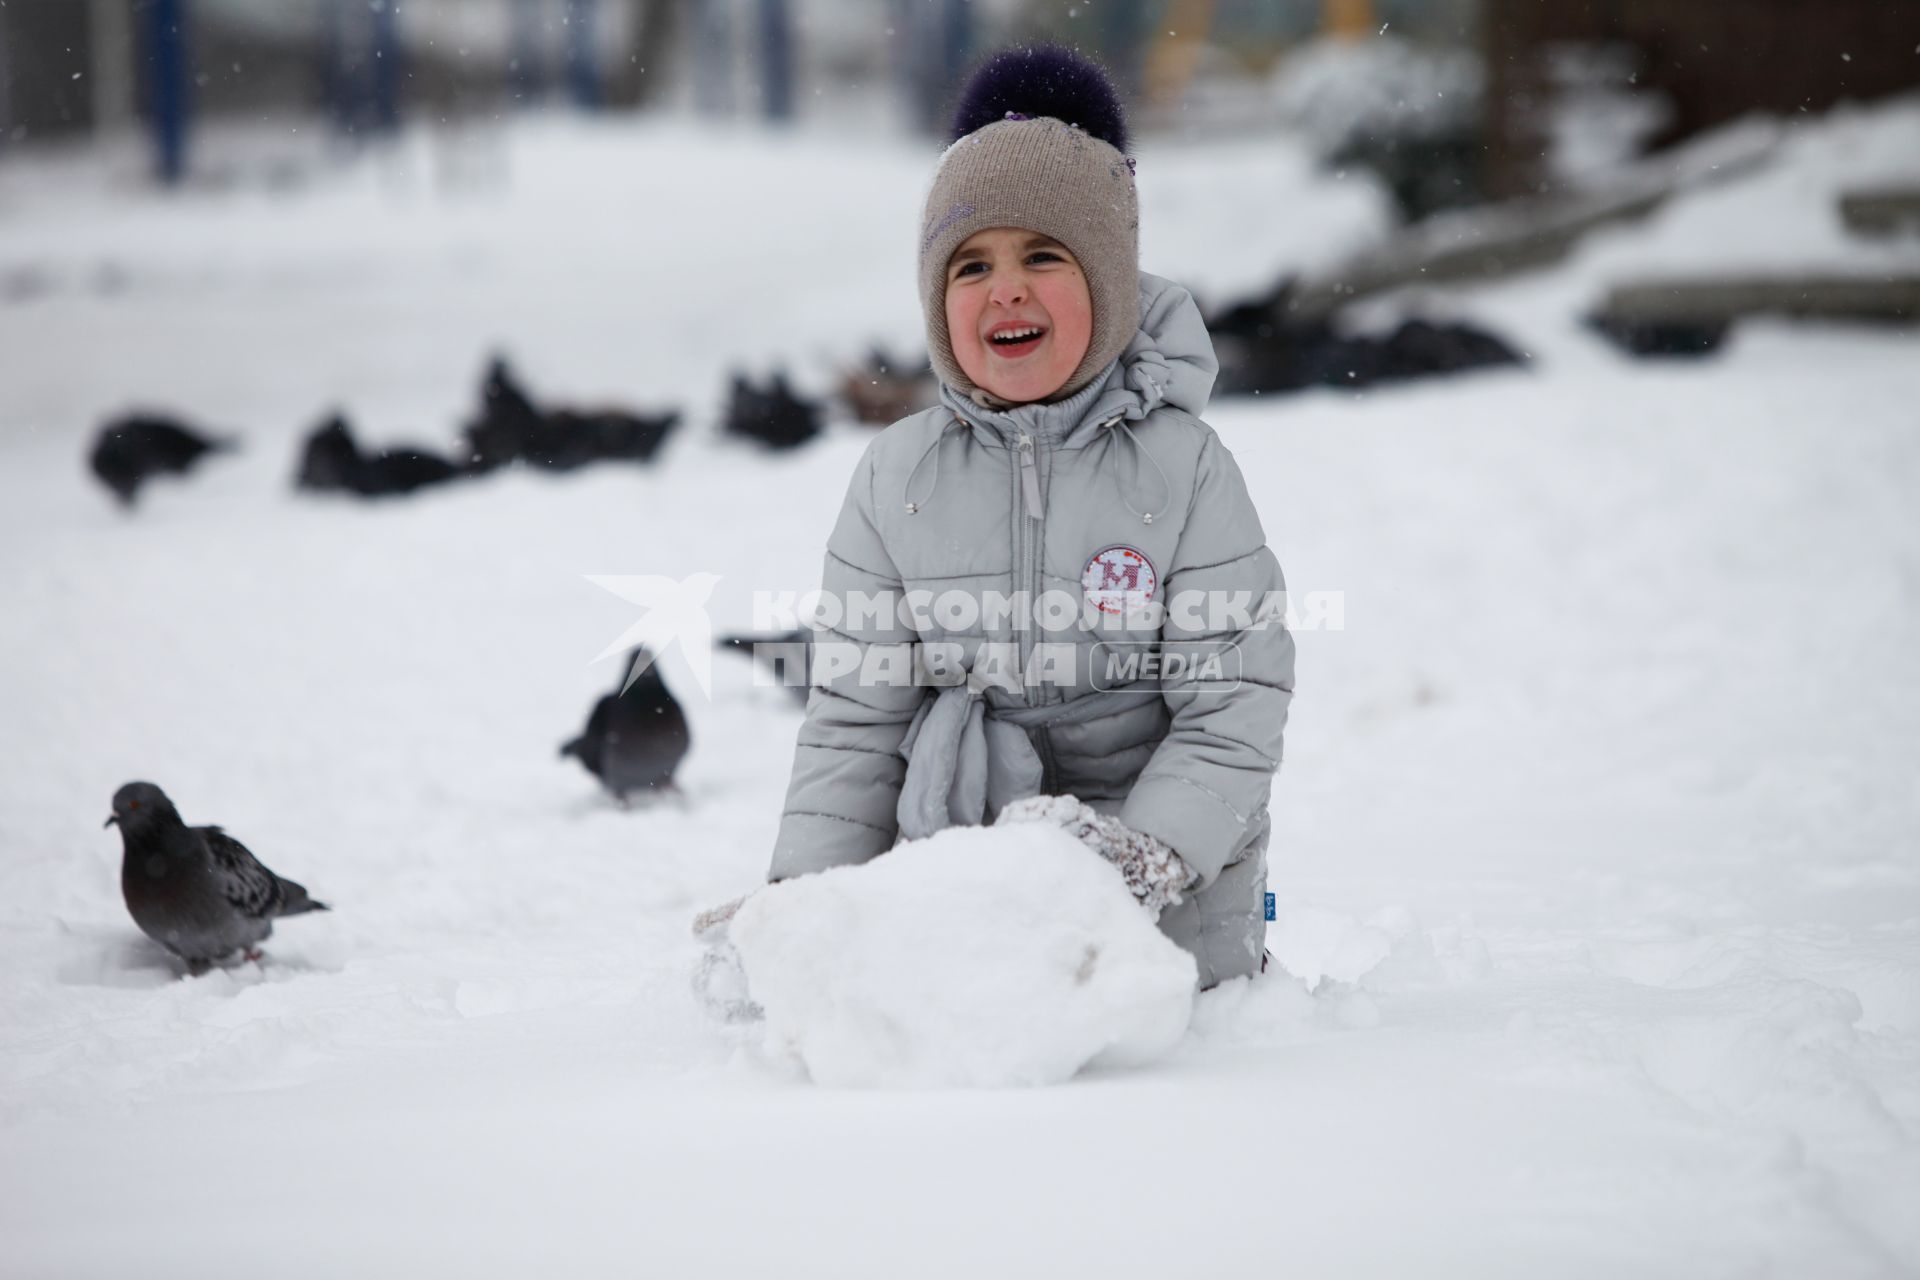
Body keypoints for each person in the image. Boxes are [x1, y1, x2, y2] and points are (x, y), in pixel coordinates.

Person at [744, 46, 1296, 991]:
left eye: (1045, 256)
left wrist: (1141, 862)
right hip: (960, 887)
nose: (1007, 289)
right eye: (972, 265)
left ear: (1112, 285)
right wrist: (806, 908)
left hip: (1164, 917)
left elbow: (1232, 707)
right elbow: (854, 725)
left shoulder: (1183, 469)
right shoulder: (898, 475)